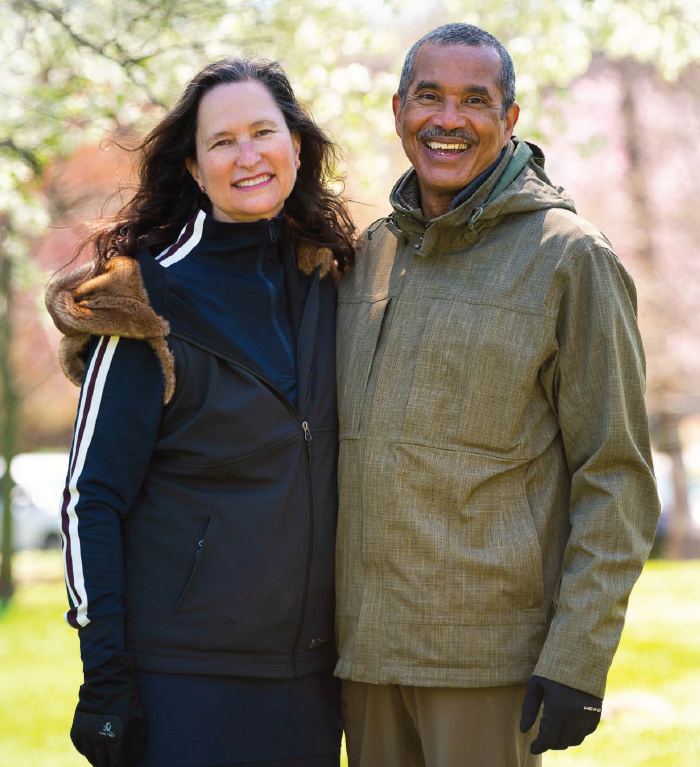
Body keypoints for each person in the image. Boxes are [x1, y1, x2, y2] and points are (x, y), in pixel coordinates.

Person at [334, 23, 660, 767]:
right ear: (397, 110)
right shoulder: (366, 255)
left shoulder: (569, 257)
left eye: (474, 100)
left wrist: (578, 657)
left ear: (509, 119)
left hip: (488, 667)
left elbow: (617, 474)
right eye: (429, 97)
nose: (448, 120)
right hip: (362, 658)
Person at [46, 57, 354, 767]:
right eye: (222, 142)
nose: (247, 156)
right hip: (184, 677)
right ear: (192, 165)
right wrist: (107, 679)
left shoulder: (332, 286)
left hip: (309, 681)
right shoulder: (142, 305)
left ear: (297, 147)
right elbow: (89, 499)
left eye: (263, 132)